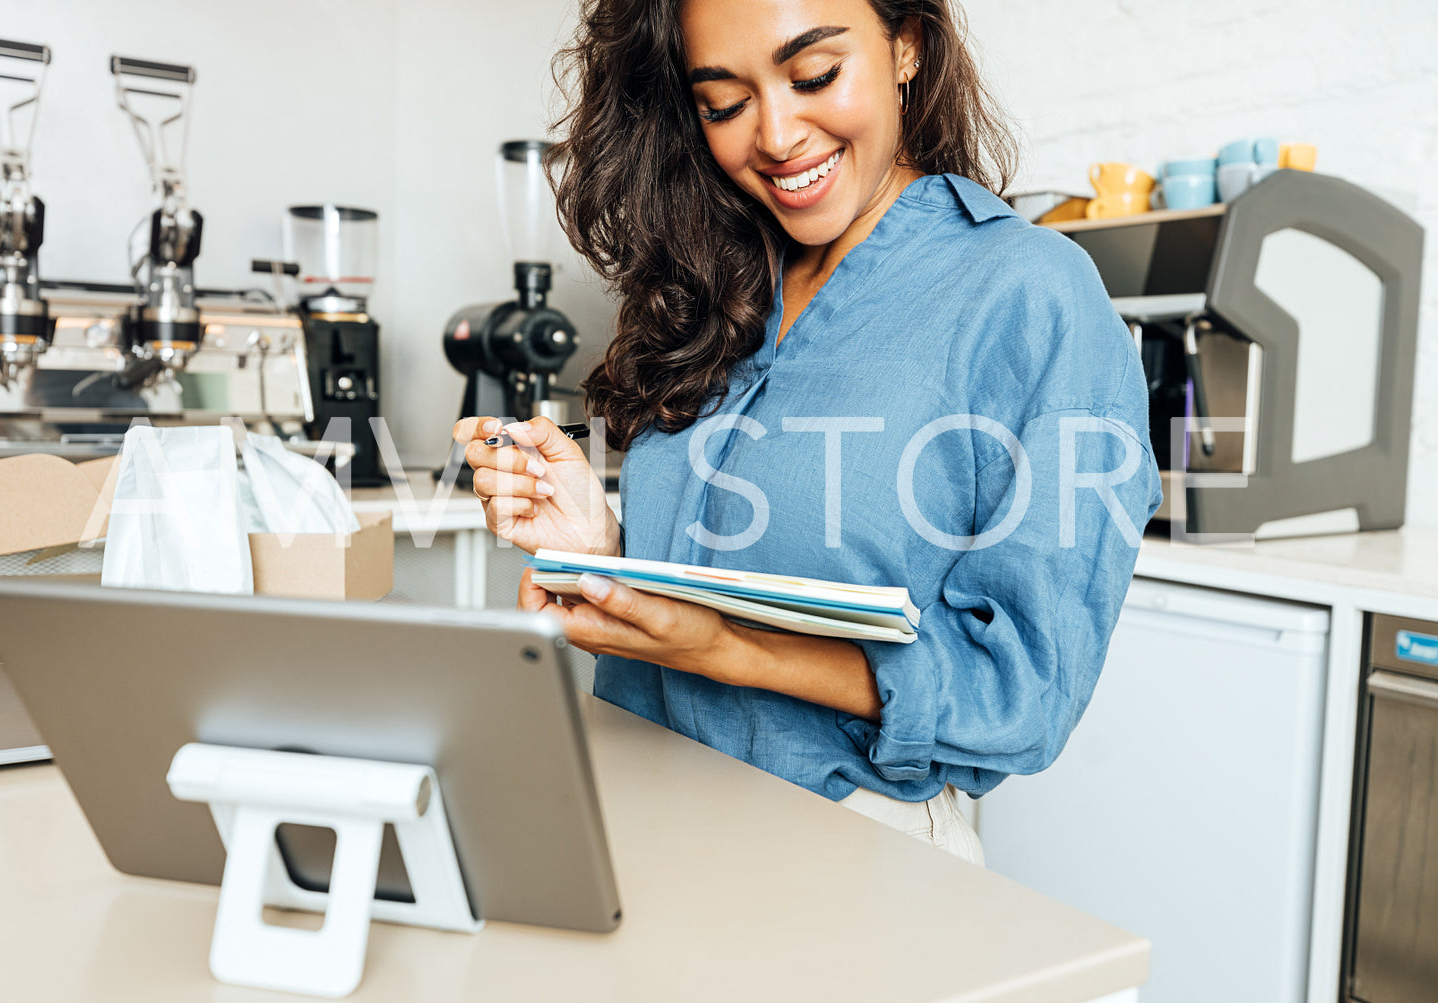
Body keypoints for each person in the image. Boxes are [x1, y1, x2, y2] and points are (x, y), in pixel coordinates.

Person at [452, 0, 1162, 864]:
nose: (777, 135)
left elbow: (1023, 692)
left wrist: (729, 650)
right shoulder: (719, 278)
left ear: (905, 45)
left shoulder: (1030, 292)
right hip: (641, 812)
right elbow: (732, 574)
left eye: (814, 75)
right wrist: (601, 548)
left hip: (854, 850)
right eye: (723, 102)